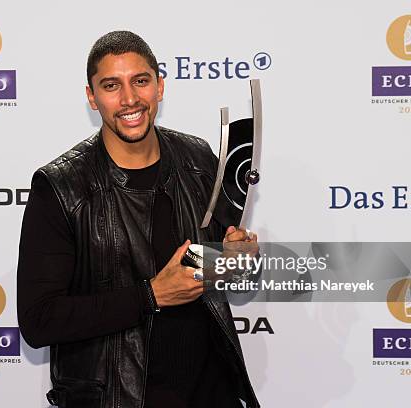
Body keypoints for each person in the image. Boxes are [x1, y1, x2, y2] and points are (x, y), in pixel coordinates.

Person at [17, 30, 260, 408]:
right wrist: (151, 295)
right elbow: (39, 320)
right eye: (111, 85)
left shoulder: (197, 160)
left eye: (140, 81)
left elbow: (204, 268)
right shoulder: (60, 187)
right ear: (91, 97)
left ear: (159, 86)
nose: (129, 99)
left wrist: (235, 260)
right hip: (117, 399)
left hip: (211, 394)